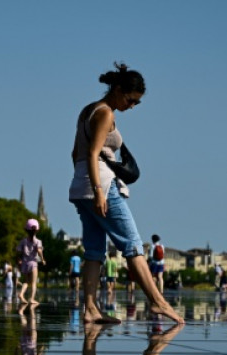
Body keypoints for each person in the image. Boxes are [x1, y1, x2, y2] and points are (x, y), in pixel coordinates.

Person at [68, 65, 183, 323]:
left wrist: (85, 184)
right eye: (130, 100)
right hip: (102, 187)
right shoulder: (106, 113)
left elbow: (75, 154)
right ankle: (158, 302)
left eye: (136, 103)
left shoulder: (87, 110)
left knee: (94, 251)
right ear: (118, 89)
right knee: (132, 244)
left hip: (80, 186)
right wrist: (99, 191)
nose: (131, 106)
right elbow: (92, 153)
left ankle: (90, 309)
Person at [16, 218, 46, 304]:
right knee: (33, 283)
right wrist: (43, 259)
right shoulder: (38, 241)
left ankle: (21, 294)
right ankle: (31, 298)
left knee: (26, 281)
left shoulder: (23, 241)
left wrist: (19, 260)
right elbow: (39, 251)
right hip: (33, 264)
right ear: (37, 230)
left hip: (25, 263)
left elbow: (18, 251)